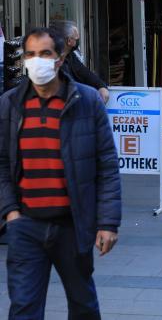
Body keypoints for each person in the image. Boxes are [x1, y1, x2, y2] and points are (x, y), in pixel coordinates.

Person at [0, 27, 121, 319]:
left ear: (59, 58)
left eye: (44, 54)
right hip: (26, 226)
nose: (36, 61)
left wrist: (108, 222)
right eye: (30, 54)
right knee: (24, 308)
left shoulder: (87, 101)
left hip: (72, 226)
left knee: (83, 306)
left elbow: (106, 164)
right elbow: (2, 162)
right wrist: (10, 213)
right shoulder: (10, 104)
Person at [50, 20, 110, 103]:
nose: (78, 41)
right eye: (76, 38)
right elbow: (69, 87)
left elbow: (85, 73)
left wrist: (101, 86)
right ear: (69, 41)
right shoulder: (53, 61)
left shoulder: (70, 55)